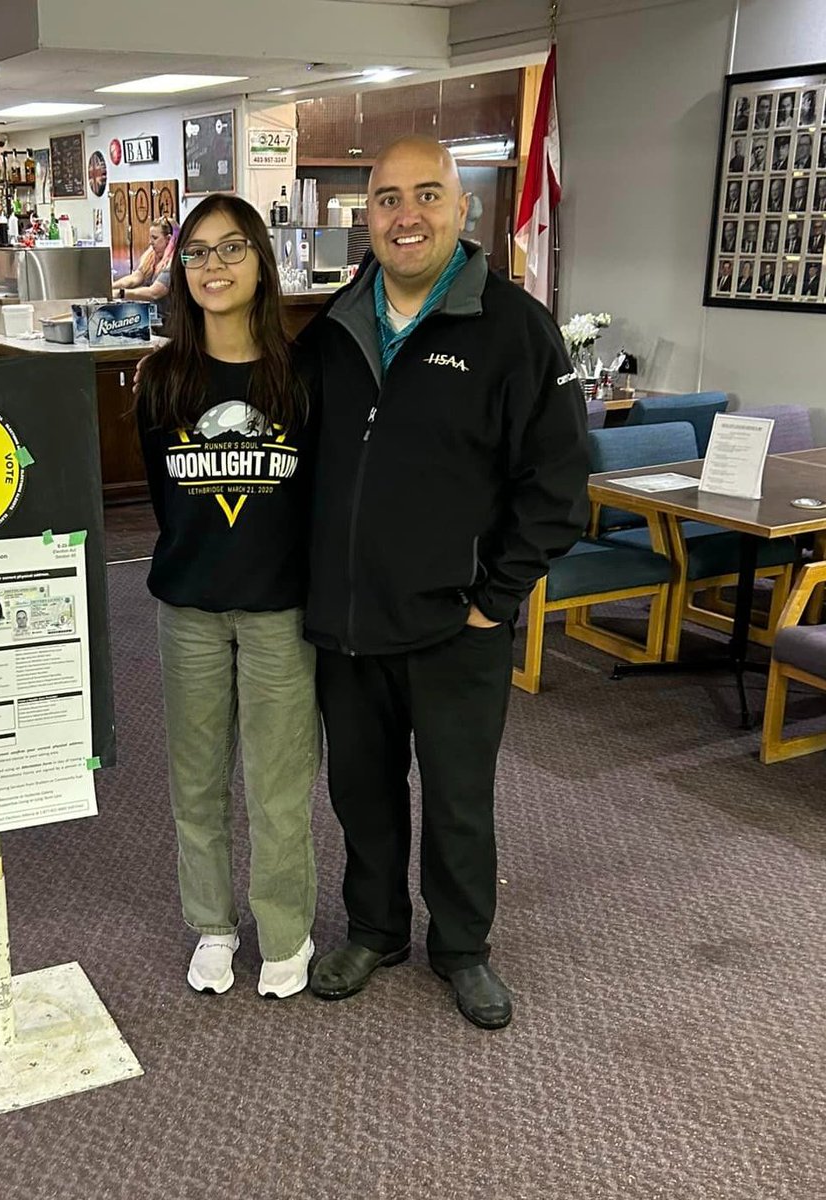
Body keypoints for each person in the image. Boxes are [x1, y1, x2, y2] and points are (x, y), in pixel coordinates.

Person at [298, 136, 588, 1030]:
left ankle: (462, 948)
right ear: (368, 216)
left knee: (458, 798)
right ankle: (377, 929)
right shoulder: (335, 327)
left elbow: (558, 486)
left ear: (464, 211)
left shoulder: (515, 329)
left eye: (428, 195)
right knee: (362, 792)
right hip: (348, 621)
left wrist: (491, 599)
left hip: (458, 624)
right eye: (388, 199)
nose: (406, 215)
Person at [135, 194, 320, 1000]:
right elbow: (160, 500)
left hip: (281, 611)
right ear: (181, 270)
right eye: (198, 252)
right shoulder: (161, 378)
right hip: (191, 611)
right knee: (197, 779)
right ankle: (212, 923)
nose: (214, 266)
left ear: (262, 263)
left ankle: (285, 931)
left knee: (280, 783)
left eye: (232, 249)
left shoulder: (302, 375)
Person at [112, 216, 177, 322]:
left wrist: (122, 293)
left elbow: (154, 293)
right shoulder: (151, 257)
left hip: (170, 322)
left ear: (168, 239)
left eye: (155, 238)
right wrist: (110, 287)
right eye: (150, 238)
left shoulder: (173, 263)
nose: (151, 242)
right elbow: (135, 278)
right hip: (153, 318)